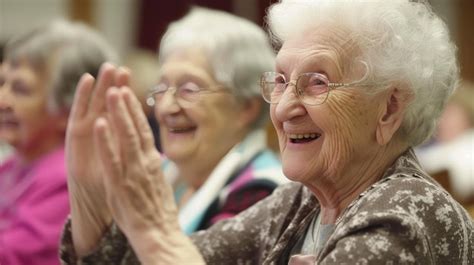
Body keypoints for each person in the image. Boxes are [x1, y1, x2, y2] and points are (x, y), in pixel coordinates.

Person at [60, 0, 474, 264]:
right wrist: (92, 203)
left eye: (317, 82)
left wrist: (156, 234)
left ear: (389, 108)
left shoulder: (406, 210)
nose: (286, 107)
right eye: (279, 81)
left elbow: (168, 254)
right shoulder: (298, 204)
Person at [62, 6, 283, 255]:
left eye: (189, 89)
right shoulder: (161, 171)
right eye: (162, 88)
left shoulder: (261, 193)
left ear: (247, 107)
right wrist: (88, 199)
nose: (167, 107)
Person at [0, 20, 117, 265]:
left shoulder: (71, 178)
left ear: (71, 107)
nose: (2, 100)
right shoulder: (11, 164)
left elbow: (12, 256)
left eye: (20, 89)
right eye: (2, 83)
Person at [416, 81, 474, 203]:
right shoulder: (430, 148)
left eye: (451, 116)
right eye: (441, 116)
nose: (442, 122)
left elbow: (461, 182)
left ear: (468, 117)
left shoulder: (469, 143)